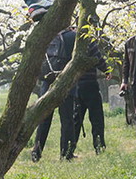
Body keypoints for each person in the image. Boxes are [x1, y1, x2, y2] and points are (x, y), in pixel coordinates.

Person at [31, 27, 110, 161]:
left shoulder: (48, 34)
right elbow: (95, 55)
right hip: (66, 80)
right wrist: (106, 69)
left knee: (44, 118)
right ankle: (66, 153)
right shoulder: (76, 36)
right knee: (67, 118)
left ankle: (36, 152)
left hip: (47, 80)